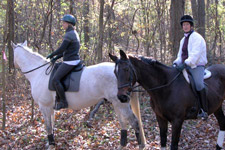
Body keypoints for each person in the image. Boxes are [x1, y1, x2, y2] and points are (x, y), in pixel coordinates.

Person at [173, 15, 208, 120]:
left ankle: (203, 110)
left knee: (198, 84)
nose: (185, 26)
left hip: (196, 65)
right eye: (184, 25)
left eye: (187, 24)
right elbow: (180, 56)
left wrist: (186, 63)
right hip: (185, 65)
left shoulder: (197, 38)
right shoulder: (182, 40)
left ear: (191, 26)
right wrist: (176, 63)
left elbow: (195, 55)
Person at [46, 14, 80, 110]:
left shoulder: (69, 34)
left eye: (64, 23)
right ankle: (57, 98)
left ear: (69, 24)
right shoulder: (73, 32)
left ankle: (63, 102)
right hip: (73, 59)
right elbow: (67, 50)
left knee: (55, 80)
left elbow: (61, 49)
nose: (62, 24)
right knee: (56, 68)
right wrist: (56, 58)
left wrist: (52, 55)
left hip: (70, 61)